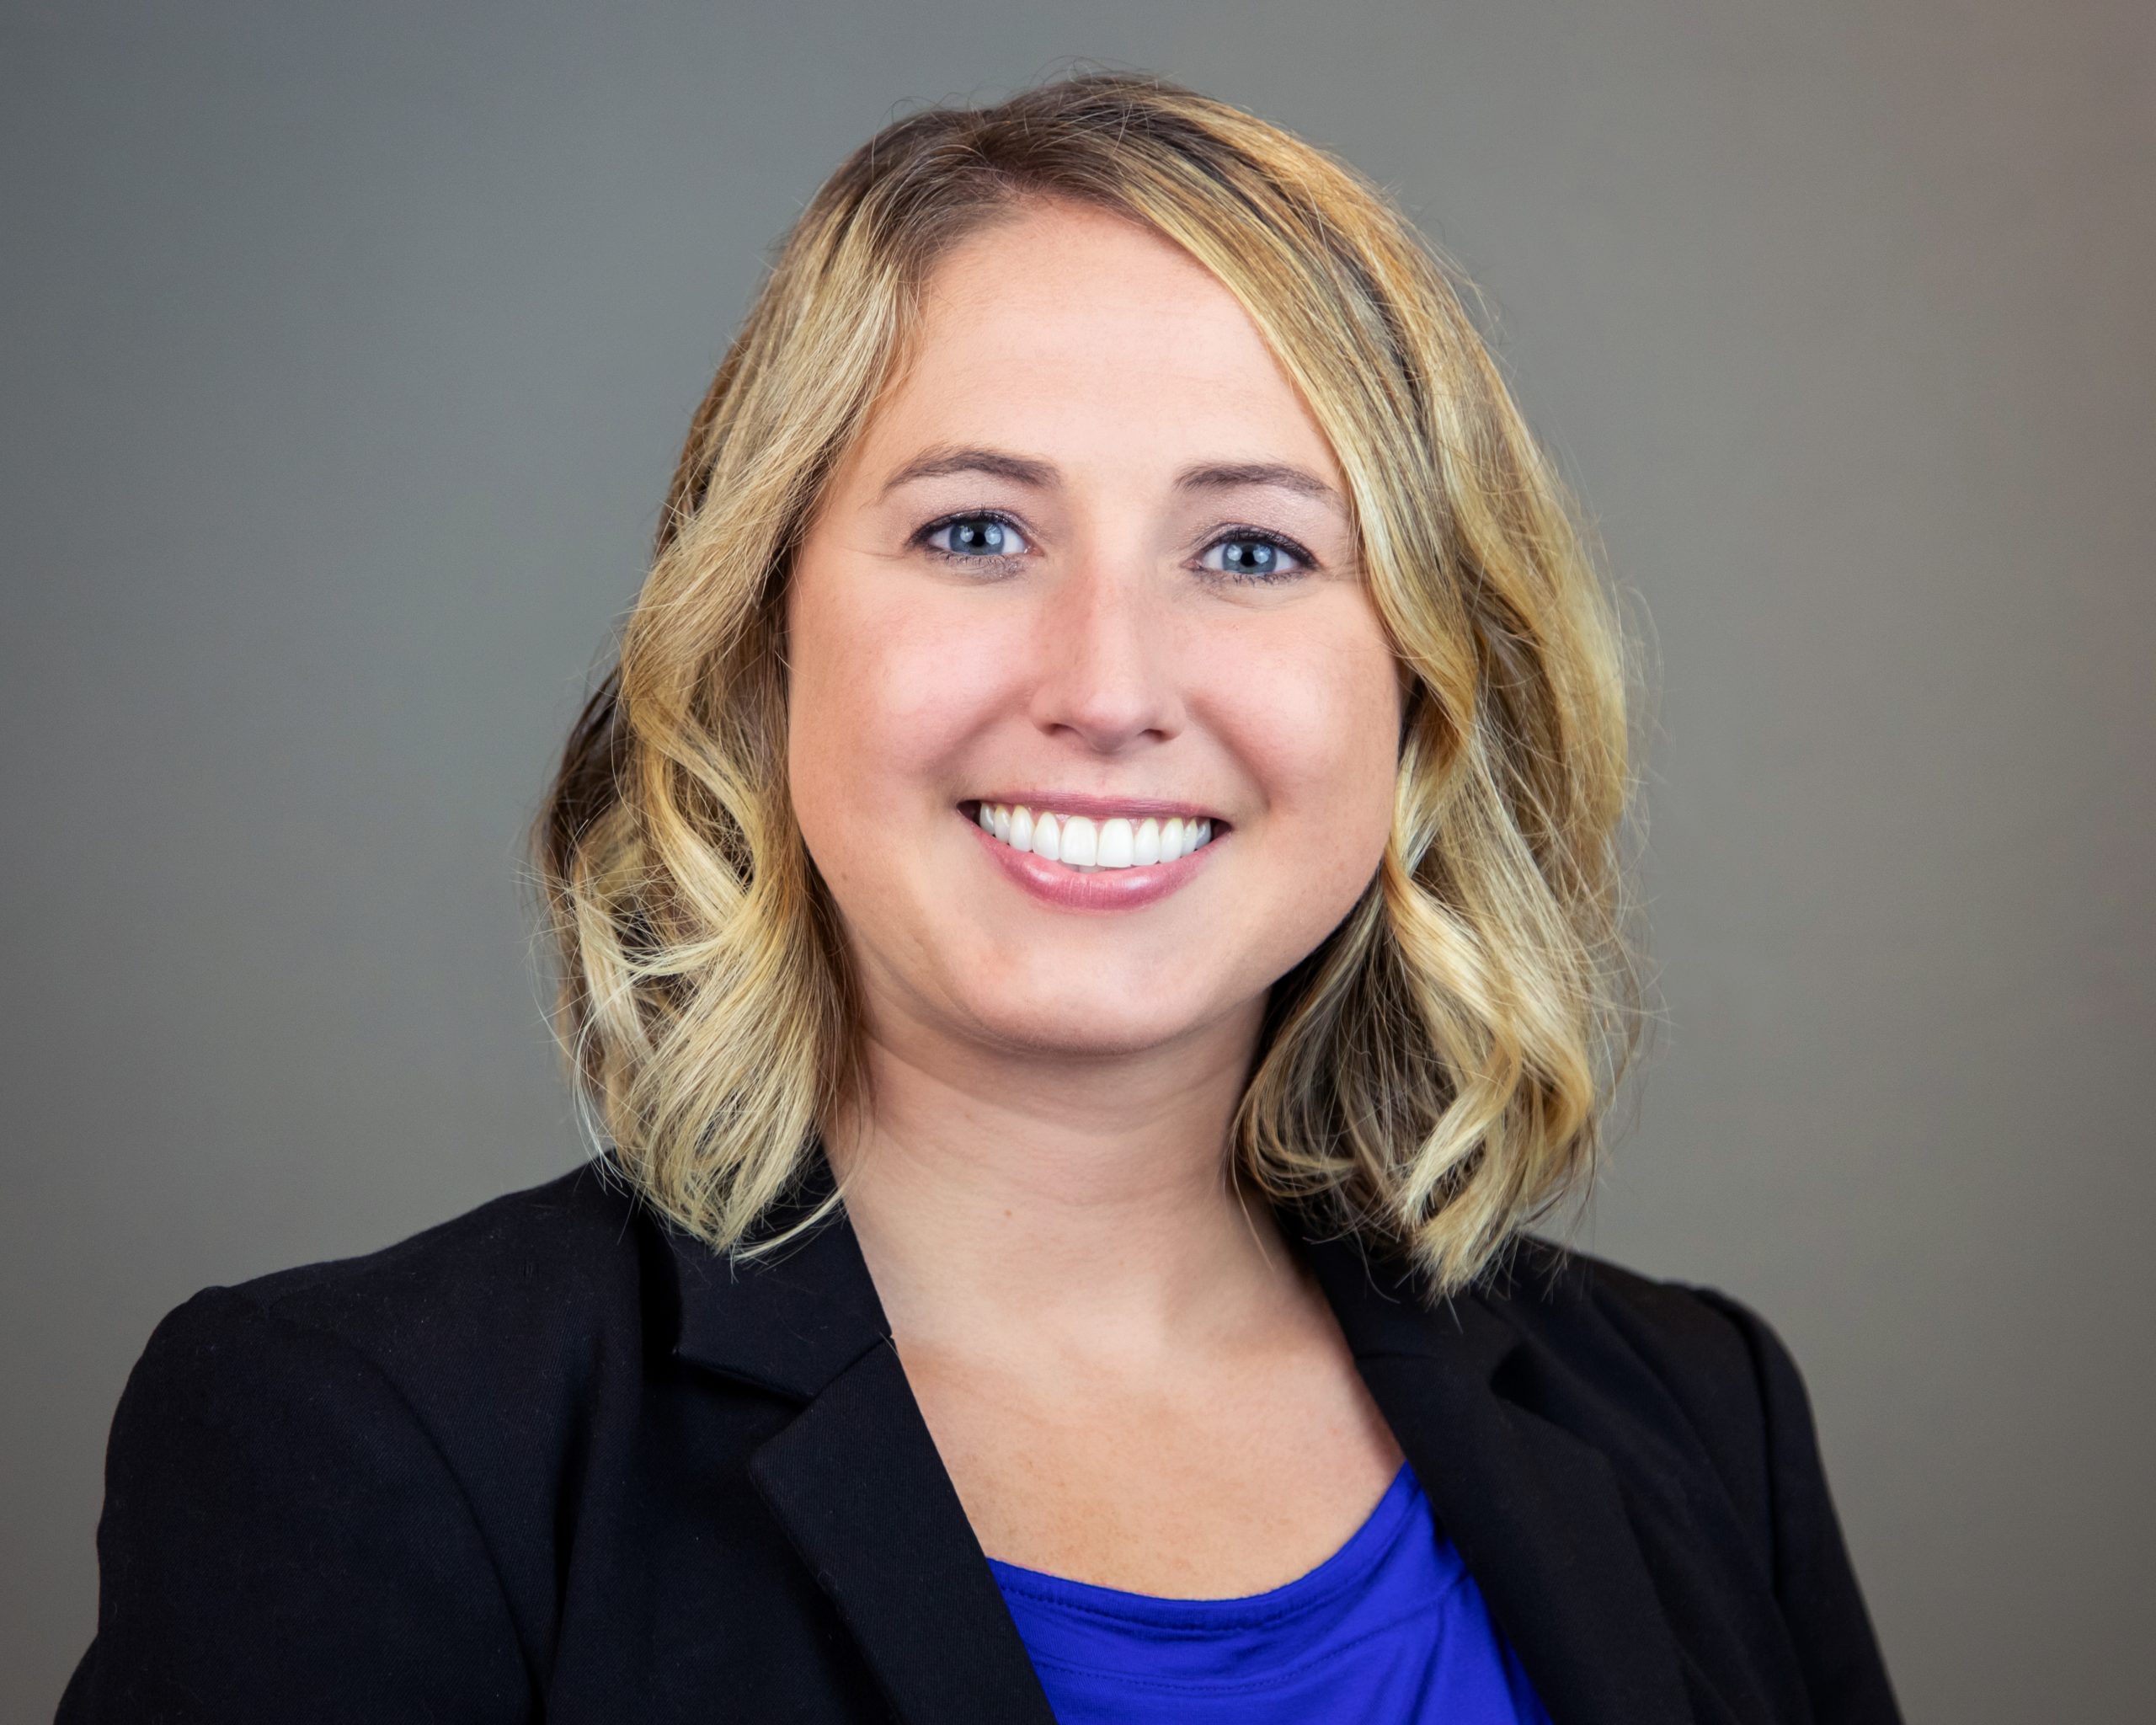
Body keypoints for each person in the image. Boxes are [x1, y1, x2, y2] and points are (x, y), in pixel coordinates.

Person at [59, 72, 1902, 1724]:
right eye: (973, 532)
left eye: (1251, 548)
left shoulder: (1693, 1415)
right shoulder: (371, 1437)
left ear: (1417, 690)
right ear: (763, 638)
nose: (1104, 685)